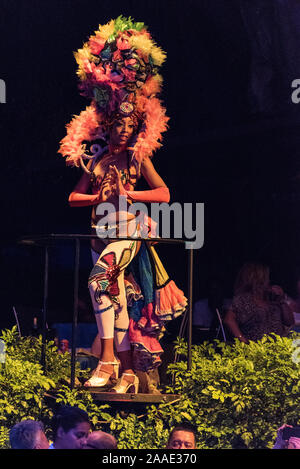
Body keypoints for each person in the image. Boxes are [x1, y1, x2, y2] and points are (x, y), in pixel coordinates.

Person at [58, 16, 187, 393]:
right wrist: (97, 196)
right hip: (100, 233)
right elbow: (72, 197)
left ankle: (108, 360)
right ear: (110, 124)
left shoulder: (137, 159)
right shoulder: (97, 159)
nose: (123, 133)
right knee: (113, 295)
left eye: (129, 129)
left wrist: (130, 196)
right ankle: (128, 373)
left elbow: (163, 194)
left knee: (99, 280)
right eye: (118, 127)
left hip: (128, 230)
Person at [224, 262, 295, 343]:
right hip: (257, 350)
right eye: (267, 277)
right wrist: (243, 340)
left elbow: (289, 322)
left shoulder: (272, 297)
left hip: (277, 349)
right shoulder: (244, 299)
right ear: (259, 279)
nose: (269, 280)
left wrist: (281, 300)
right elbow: (228, 320)